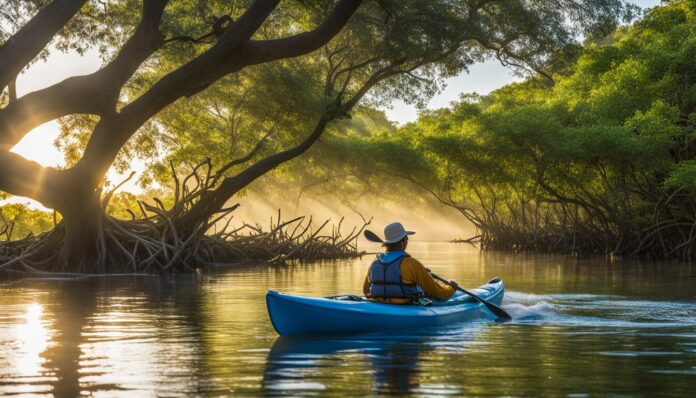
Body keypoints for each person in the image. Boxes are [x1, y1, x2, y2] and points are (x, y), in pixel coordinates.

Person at [363, 222, 459, 304]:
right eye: (407, 239)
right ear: (402, 242)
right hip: (405, 306)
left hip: (378, 303)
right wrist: (451, 287)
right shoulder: (412, 264)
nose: (407, 241)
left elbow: (366, 291)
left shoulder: (374, 263)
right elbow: (440, 293)